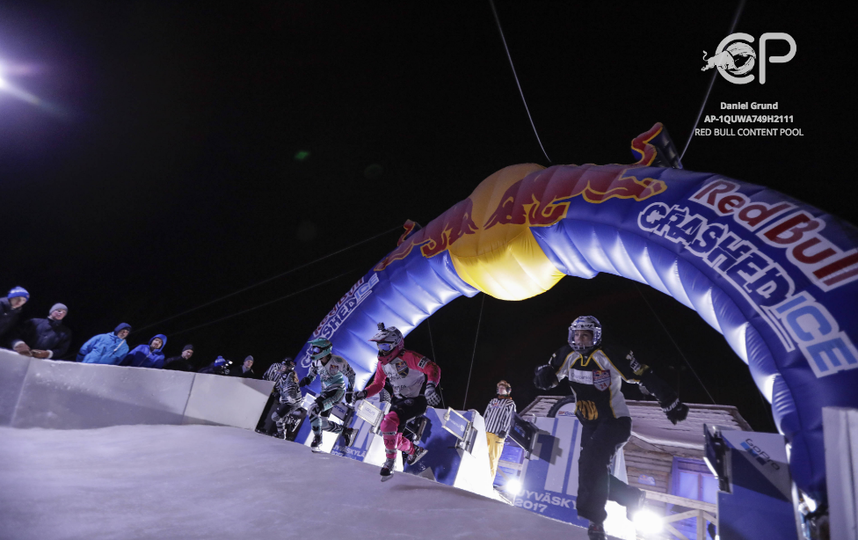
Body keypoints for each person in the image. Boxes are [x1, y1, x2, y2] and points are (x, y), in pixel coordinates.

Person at [533, 316, 689, 540]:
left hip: (615, 421)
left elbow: (643, 374)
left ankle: (596, 522)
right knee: (591, 471)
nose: (580, 339)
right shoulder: (565, 354)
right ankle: (631, 498)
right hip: (590, 423)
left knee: (591, 464)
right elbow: (548, 380)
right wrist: (542, 375)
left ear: (595, 336)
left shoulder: (610, 354)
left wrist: (668, 399)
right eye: (576, 334)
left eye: (585, 335)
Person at [353, 322, 441, 481]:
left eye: (385, 347)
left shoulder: (408, 357)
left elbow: (432, 367)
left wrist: (430, 387)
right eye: (380, 347)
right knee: (394, 439)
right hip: (398, 402)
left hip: (416, 400)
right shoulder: (382, 363)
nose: (381, 351)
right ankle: (414, 450)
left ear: (396, 345)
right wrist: (363, 394)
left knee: (387, 424)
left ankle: (390, 463)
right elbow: (378, 384)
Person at [299, 337, 357, 452]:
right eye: (313, 349)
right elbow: (312, 374)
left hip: (337, 392)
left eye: (316, 349)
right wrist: (307, 379)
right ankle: (347, 431)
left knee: (312, 409)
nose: (313, 352)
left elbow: (351, 375)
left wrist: (350, 391)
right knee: (323, 424)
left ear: (325, 350)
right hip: (325, 392)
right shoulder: (316, 362)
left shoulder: (338, 361)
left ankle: (317, 439)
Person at [484, 380, 516, 483]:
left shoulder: (510, 403)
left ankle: (489, 481)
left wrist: (504, 431)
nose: (501, 389)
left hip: (498, 435)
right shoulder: (493, 401)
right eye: (499, 388)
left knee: (493, 459)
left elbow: (510, 418)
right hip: (486, 432)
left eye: (503, 388)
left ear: (508, 390)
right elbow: (486, 414)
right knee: (482, 454)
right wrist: (481, 425)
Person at [259, 357, 294, 435]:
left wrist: (275, 391)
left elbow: (281, 386)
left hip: (273, 392)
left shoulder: (288, 374)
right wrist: (270, 386)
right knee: (259, 406)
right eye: (287, 367)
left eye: (289, 368)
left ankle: (260, 425)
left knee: (266, 409)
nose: (287, 369)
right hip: (264, 387)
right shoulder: (275, 366)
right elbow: (267, 376)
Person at [271, 360, 304, 439]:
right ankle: (281, 434)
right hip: (288, 400)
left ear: (289, 368)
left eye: (284, 367)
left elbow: (290, 390)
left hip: (291, 402)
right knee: (279, 416)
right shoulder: (285, 375)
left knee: (275, 417)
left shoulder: (289, 376)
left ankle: (293, 421)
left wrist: (284, 397)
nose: (282, 368)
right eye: (282, 366)